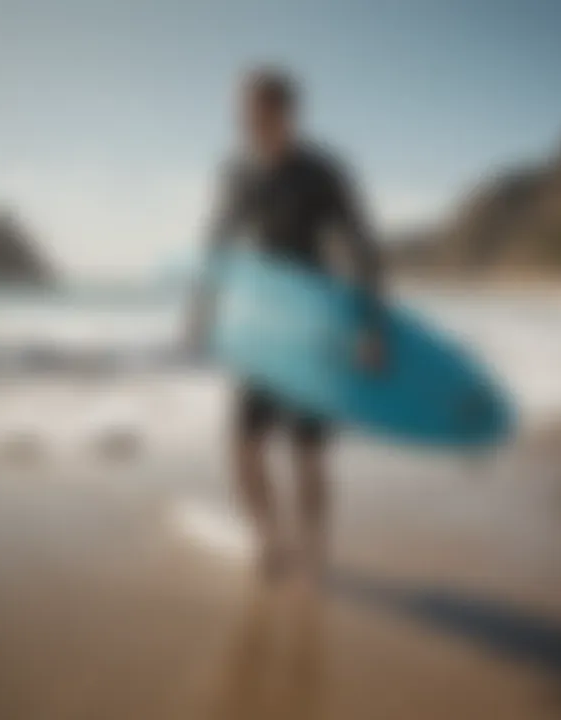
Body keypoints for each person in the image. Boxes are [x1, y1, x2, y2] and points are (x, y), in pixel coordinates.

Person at [190, 67, 384, 587]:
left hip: (316, 328)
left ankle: (315, 550)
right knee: (243, 446)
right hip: (263, 328)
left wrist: (370, 326)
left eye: (254, 111)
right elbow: (219, 243)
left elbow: (362, 247)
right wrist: (201, 311)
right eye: (242, 112)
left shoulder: (323, 172)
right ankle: (270, 540)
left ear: (285, 114)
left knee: (307, 454)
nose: (244, 122)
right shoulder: (237, 173)